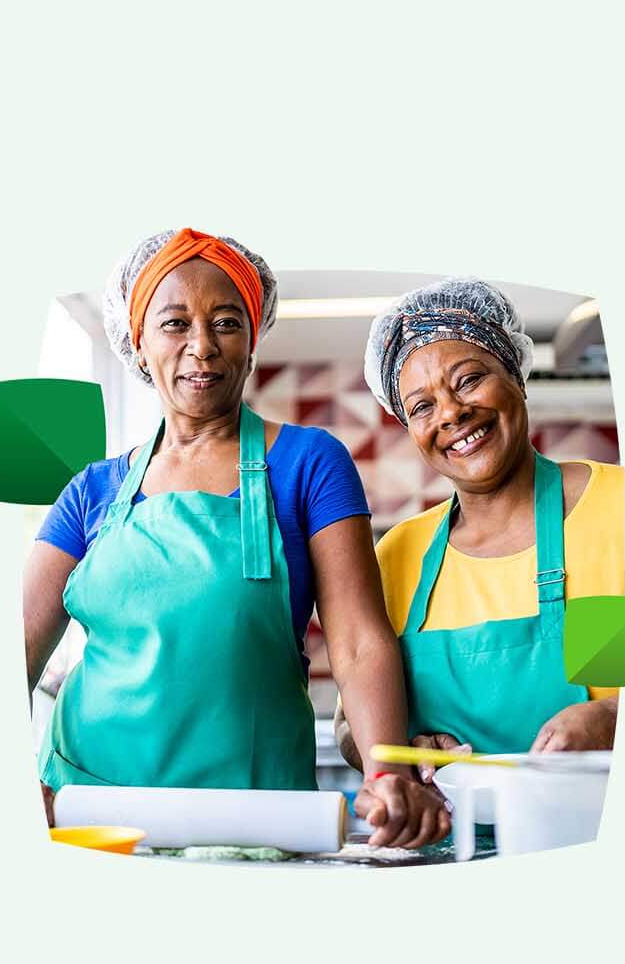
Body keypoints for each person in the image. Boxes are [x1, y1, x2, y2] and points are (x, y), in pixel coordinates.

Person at [25, 229, 444, 849]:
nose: (202, 346)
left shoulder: (309, 461)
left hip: (249, 816)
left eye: (225, 322)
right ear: (139, 345)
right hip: (87, 807)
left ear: (251, 343)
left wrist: (388, 770)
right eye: (174, 324)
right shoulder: (92, 490)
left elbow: (357, 641)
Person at [349, 277, 625, 760]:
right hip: (450, 834)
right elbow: (352, 729)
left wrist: (612, 719)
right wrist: (403, 747)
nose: (452, 413)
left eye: (469, 380)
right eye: (421, 406)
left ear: (516, 376)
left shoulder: (619, 508)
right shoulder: (398, 555)